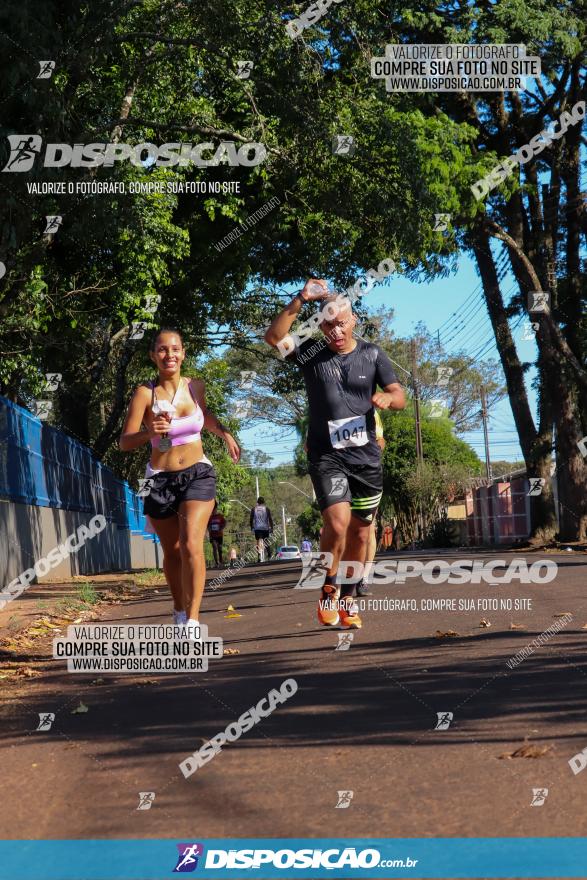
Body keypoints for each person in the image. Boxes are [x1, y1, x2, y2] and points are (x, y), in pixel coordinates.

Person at [264, 280, 405, 629]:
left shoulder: (373, 355)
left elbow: (399, 394)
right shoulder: (311, 354)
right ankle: (328, 587)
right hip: (326, 455)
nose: (336, 330)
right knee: (337, 523)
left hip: (366, 457)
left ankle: (349, 596)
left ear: (353, 320)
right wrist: (300, 298)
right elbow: (273, 337)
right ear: (321, 325)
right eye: (328, 324)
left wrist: (389, 399)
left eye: (342, 322)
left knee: (361, 533)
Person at [120, 328, 240, 637]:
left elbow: (206, 415)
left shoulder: (195, 387)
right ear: (153, 356)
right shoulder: (144, 393)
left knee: (190, 544)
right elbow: (125, 442)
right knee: (172, 552)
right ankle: (178, 608)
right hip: (159, 480)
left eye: (175, 349)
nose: (169, 354)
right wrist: (150, 432)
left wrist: (224, 432)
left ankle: (194, 620)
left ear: (183, 353)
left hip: (198, 473)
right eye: (162, 349)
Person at [357, 409, 385, 597]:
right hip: (337, 473)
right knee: (339, 525)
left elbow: (381, 440)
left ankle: (364, 578)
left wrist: (373, 452)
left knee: (368, 527)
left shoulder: (370, 411)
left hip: (365, 472)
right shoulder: (327, 405)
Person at [249, 497, 274, 562]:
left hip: (257, 528)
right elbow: (270, 519)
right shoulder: (267, 509)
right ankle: (269, 555)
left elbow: (251, 519)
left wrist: (251, 527)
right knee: (266, 541)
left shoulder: (254, 509)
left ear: (258, 502)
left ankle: (259, 556)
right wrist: (272, 527)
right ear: (263, 502)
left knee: (258, 541)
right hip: (265, 528)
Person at [207, 502, 226, 567]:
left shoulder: (220, 516)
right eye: (212, 510)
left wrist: (221, 528)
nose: (213, 511)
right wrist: (209, 532)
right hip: (213, 535)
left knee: (219, 548)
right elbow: (208, 526)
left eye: (214, 510)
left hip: (219, 535)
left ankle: (221, 561)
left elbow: (224, 523)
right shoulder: (210, 517)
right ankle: (216, 562)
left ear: (216, 510)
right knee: (214, 547)